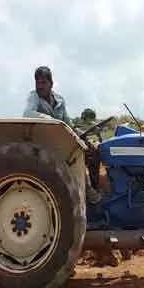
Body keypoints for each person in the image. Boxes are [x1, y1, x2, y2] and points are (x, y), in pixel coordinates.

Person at [22, 66, 101, 204]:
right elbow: (27, 113)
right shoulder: (34, 97)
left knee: (94, 153)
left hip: (61, 142)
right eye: (37, 82)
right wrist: (50, 120)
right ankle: (88, 191)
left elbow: (68, 123)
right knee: (78, 158)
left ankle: (95, 190)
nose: (40, 86)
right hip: (45, 143)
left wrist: (83, 136)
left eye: (43, 83)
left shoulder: (60, 100)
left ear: (51, 84)